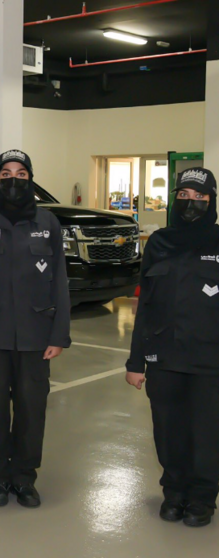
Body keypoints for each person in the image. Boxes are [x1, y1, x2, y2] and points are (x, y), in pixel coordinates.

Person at [0, 149, 70, 508]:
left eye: (21, 172)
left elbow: (60, 283)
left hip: (36, 337)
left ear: (31, 178)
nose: (13, 179)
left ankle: (24, 477)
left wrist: (59, 335)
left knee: (31, 409)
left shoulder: (48, 223)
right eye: (6, 172)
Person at [126, 167, 219, 528]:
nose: (191, 203)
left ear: (211, 201)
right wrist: (136, 361)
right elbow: (144, 305)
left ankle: (202, 497)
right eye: (184, 196)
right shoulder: (160, 242)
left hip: (210, 361)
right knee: (168, 431)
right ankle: (174, 491)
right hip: (163, 358)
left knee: (207, 434)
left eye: (200, 197)